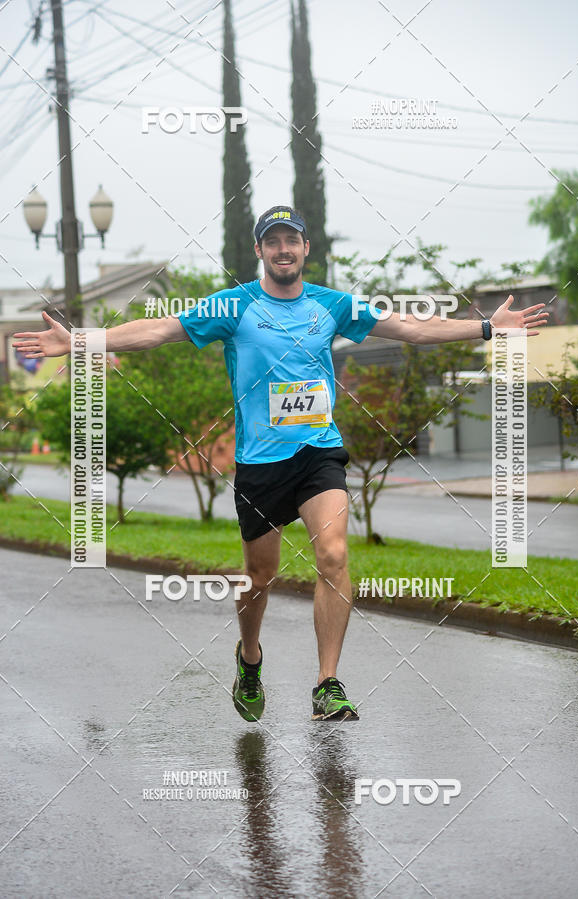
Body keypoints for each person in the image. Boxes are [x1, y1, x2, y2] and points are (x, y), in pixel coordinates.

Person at [13, 204, 548, 723]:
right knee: (259, 576)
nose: (284, 249)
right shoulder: (233, 307)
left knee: (334, 555)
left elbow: (408, 327)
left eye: (292, 240)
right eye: (273, 241)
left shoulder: (331, 304)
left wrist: (485, 328)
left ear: (306, 248)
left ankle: (327, 684)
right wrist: (82, 340)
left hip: (318, 451)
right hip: (259, 464)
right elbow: (159, 331)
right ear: (260, 251)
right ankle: (249, 658)